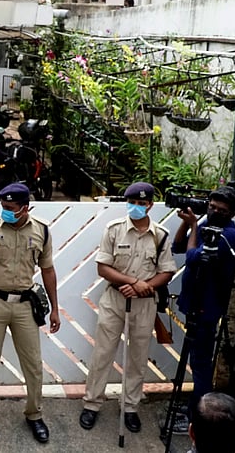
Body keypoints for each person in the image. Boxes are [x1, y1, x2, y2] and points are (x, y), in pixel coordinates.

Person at [0, 182, 61, 445]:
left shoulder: (41, 230)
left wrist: (55, 308)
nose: (4, 212)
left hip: (24, 305)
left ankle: (34, 413)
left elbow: (48, 270)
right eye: (2, 207)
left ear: (25, 208)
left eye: (10, 208)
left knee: (33, 364)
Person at [80, 181, 177, 433]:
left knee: (137, 357)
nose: (135, 207)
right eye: (132, 202)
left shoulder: (161, 235)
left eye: (141, 204)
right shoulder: (113, 230)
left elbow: (166, 271)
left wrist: (143, 286)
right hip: (115, 299)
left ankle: (131, 406)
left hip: (144, 303)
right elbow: (103, 267)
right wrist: (132, 281)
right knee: (103, 352)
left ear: (150, 206)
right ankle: (92, 403)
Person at [170, 187, 235, 434]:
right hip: (194, 302)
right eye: (212, 206)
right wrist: (188, 223)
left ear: (232, 213)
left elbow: (192, 258)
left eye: (222, 210)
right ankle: (194, 408)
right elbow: (178, 247)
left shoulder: (229, 235)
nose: (215, 212)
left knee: (200, 364)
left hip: (207, 307)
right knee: (196, 360)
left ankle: (197, 419)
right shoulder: (206, 223)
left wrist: (193, 226)